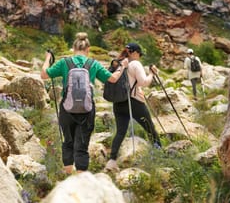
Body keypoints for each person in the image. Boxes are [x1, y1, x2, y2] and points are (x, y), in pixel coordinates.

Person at [41, 32, 128, 175]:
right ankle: (81, 180)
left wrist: (47, 58)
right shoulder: (93, 64)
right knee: (82, 146)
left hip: (66, 108)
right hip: (87, 109)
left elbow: (44, 75)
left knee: (68, 142)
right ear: (88, 49)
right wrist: (122, 67)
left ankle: (69, 175)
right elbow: (112, 79)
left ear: (73, 48)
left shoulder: (65, 62)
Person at [105, 42, 161, 172]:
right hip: (134, 102)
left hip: (118, 103)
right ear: (134, 52)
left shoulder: (118, 63)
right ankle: (159, 153)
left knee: (120, 132)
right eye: (139, 54)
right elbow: (143, 82)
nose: (139, 56)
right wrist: (152, 74)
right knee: (150, 128)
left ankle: (111, 161)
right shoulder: (135, 64)